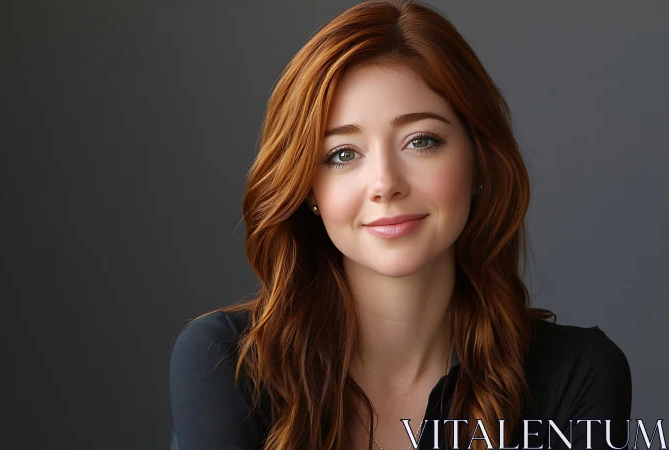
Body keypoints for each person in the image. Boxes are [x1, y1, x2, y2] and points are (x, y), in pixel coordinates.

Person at [168, 1, 632, 449]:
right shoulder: (225, 364)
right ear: (308, 189)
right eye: (342, 154)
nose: (385, 184)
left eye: (421, 141)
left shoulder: (578, 375)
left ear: (479, 162)